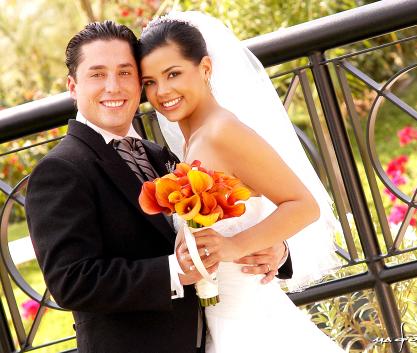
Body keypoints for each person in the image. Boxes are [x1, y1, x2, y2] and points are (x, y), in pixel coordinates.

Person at [25, 20, 291, 353]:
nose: (113, 87)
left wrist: (273, 250)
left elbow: (211, 229)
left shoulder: (157, 154)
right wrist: (175, 272)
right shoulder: (60, 170)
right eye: (97, 74)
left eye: (125, 72)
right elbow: (73, 282)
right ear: (73, 86)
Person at [139, 11, 345, 353]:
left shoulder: (222, 132)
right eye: (149, 82)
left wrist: (236, 246)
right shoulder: (195, 141)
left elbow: (303, 205)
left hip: (250, 323)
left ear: (205, 69)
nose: (161, 91)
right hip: (225, 319)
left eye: (173, 74)